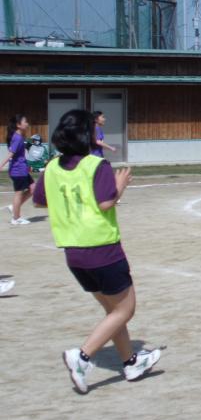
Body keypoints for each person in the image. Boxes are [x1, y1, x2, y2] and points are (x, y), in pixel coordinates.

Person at [32, 109, 160, 394]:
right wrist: (120, 186)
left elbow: (39, 201)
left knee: (113, 311)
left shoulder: (52, 167)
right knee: (125, 309)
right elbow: (105, 203)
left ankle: (131, 362)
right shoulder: (96, 165)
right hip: (102, 249)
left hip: (74, 254)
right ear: (85, 134)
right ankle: (83, 356)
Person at [1, 114, 35, 225]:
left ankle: (14, 207)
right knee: (19, 193)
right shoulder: (17, 138)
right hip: (18, 170)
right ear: (18, 125)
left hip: (22, 169)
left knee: (33, 188)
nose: (27, 124)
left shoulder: (19, 136)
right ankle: (16, 218)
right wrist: (1, 165)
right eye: (25, 122)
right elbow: (11, 153)